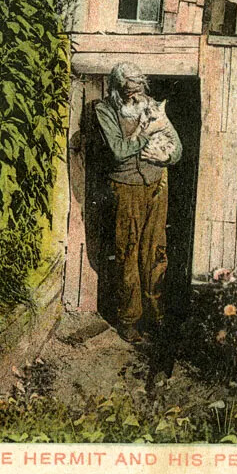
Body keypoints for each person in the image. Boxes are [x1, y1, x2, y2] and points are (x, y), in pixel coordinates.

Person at [94, 62, 182, 343]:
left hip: (157, 183)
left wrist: (167, 157)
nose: (135, 97)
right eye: (129, 93)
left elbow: (178, 148)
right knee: (128, 252)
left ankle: (156, 316)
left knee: (155, 249)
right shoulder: (105, 110)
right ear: (117, 91)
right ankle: (129, 318)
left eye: (139, 91)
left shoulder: (152, 105)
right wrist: (146, 135)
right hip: (126, 187)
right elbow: (119, 150)